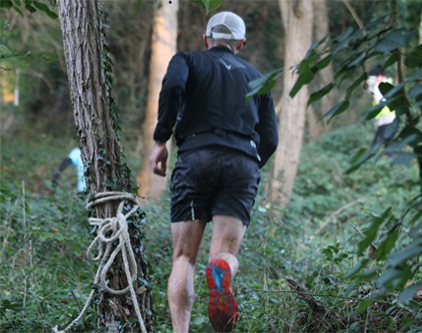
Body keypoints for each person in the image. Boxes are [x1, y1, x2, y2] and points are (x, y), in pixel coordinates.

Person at [149, 11, 278, 333]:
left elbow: (173, 87)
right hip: (243, 162)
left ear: (207, 39)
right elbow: (271, 138)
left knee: (184, 258)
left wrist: (161, 139)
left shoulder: (188, 60)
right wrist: (246, 166)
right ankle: (222, 268)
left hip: (197, 157)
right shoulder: (257, 77)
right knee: (223, 254)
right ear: (241, 44)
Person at [366, 64, 397, 151]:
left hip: (386, 115)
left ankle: (377, 151)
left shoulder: (380, 86)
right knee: (382, 135)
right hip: (386, 115)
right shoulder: (387, 83)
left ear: (379, 76)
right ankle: (382, 151)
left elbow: (379, 100)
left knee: (382, 136)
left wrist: (374, 87)